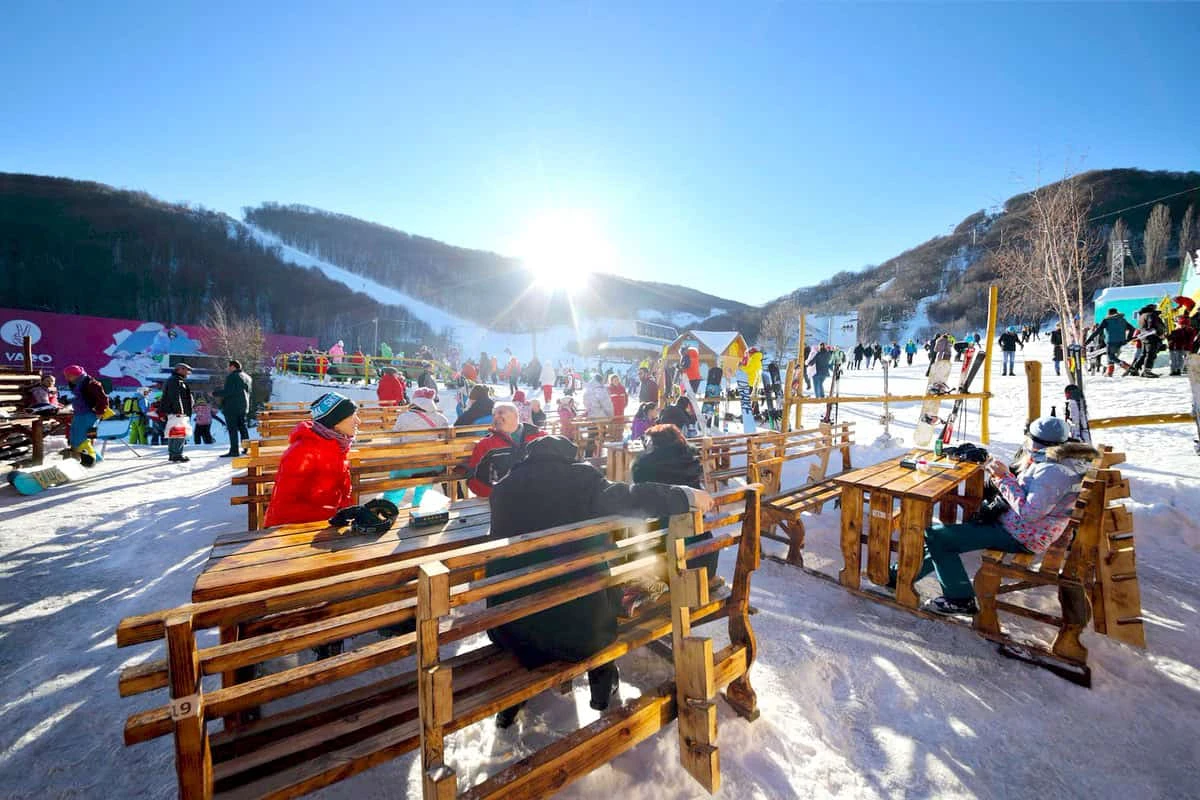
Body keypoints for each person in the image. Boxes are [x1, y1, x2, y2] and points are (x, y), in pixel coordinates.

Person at [486, 434, 714, 727]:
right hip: (581, 634)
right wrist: (683, 495)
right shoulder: (581, 478)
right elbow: (630, 497)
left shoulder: (503, 488)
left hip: (509, 630)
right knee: (602, 583)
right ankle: (604, 683)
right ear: (568, 456)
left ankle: (513, 705)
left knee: (570, 579)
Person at [894, 416, 1098, 615]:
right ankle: (899, 575)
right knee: (941, 535)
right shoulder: (1057, 461)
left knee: (938, 536)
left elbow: (1030, 513)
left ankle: (959, 599)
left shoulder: (1053, 471)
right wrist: (1003, 473)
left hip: (1024, 534)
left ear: (1035, 442)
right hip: (1024, 528)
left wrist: (1002, 477)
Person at [631, 424, 718, 579]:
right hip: (703, 557)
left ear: (655, 445)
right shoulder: (691, 463)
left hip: (667, 562)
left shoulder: (645, 468)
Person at [263, 393, 360, 528]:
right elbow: (284, 509)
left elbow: (343, 495)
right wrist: (336, 513)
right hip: (288, 532)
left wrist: (353, 513)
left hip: (325, 525)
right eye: (352, 416)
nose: (358, 421)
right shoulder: (302, 452)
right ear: (334, 422)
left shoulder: (339, 446)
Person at [466, 401, 545, 497]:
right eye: (494, 414)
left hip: (539, 496)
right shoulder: (485, 444)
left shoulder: (540, 437)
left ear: (516, 415)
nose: (495, 417)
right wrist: (498, 495)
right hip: (503, 499)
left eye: (500, 413)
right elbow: (473, 478)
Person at [63, 365, 109, 466]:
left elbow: (103, 399)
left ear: (76, 375)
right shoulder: (76, 383)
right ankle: (96, 459)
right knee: (74, 438)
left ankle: (91, 460)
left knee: (82, 438)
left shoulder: (91, 383)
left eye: (68, 375)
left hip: (89, 414)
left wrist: (100, 412)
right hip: (79, 413)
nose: (66, 378)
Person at [160, 363, 195, 463]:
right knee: (178, 433)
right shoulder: (175, 381)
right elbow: (175, 396)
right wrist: (179, 410)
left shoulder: (176, 380)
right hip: (177, 412)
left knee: (175, 432)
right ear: (179, 369)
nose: (188, 372)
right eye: (186, 370)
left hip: (176, 411)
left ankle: (174, 454)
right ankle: (177, 454)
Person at [219, 360, 252, 458]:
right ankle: (246, 448)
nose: (228, 369)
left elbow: (228, 391)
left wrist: (215, 393)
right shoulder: (248, 377)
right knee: (243, 427)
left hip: (231, 407)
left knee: (232, 429)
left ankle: (234, 450)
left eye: (229, 367)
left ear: (233, 366)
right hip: (243, 406)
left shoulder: (232, 376)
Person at [1126, 303, 1166, 378]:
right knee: (1150, 354)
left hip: (1145, 337)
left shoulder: (1142, 315)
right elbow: (1153, 325)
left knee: (1144, 354)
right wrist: (1160, 333)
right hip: (1152, 337)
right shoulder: (1151, 315)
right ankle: (1147, 371)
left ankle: (1135, 368)